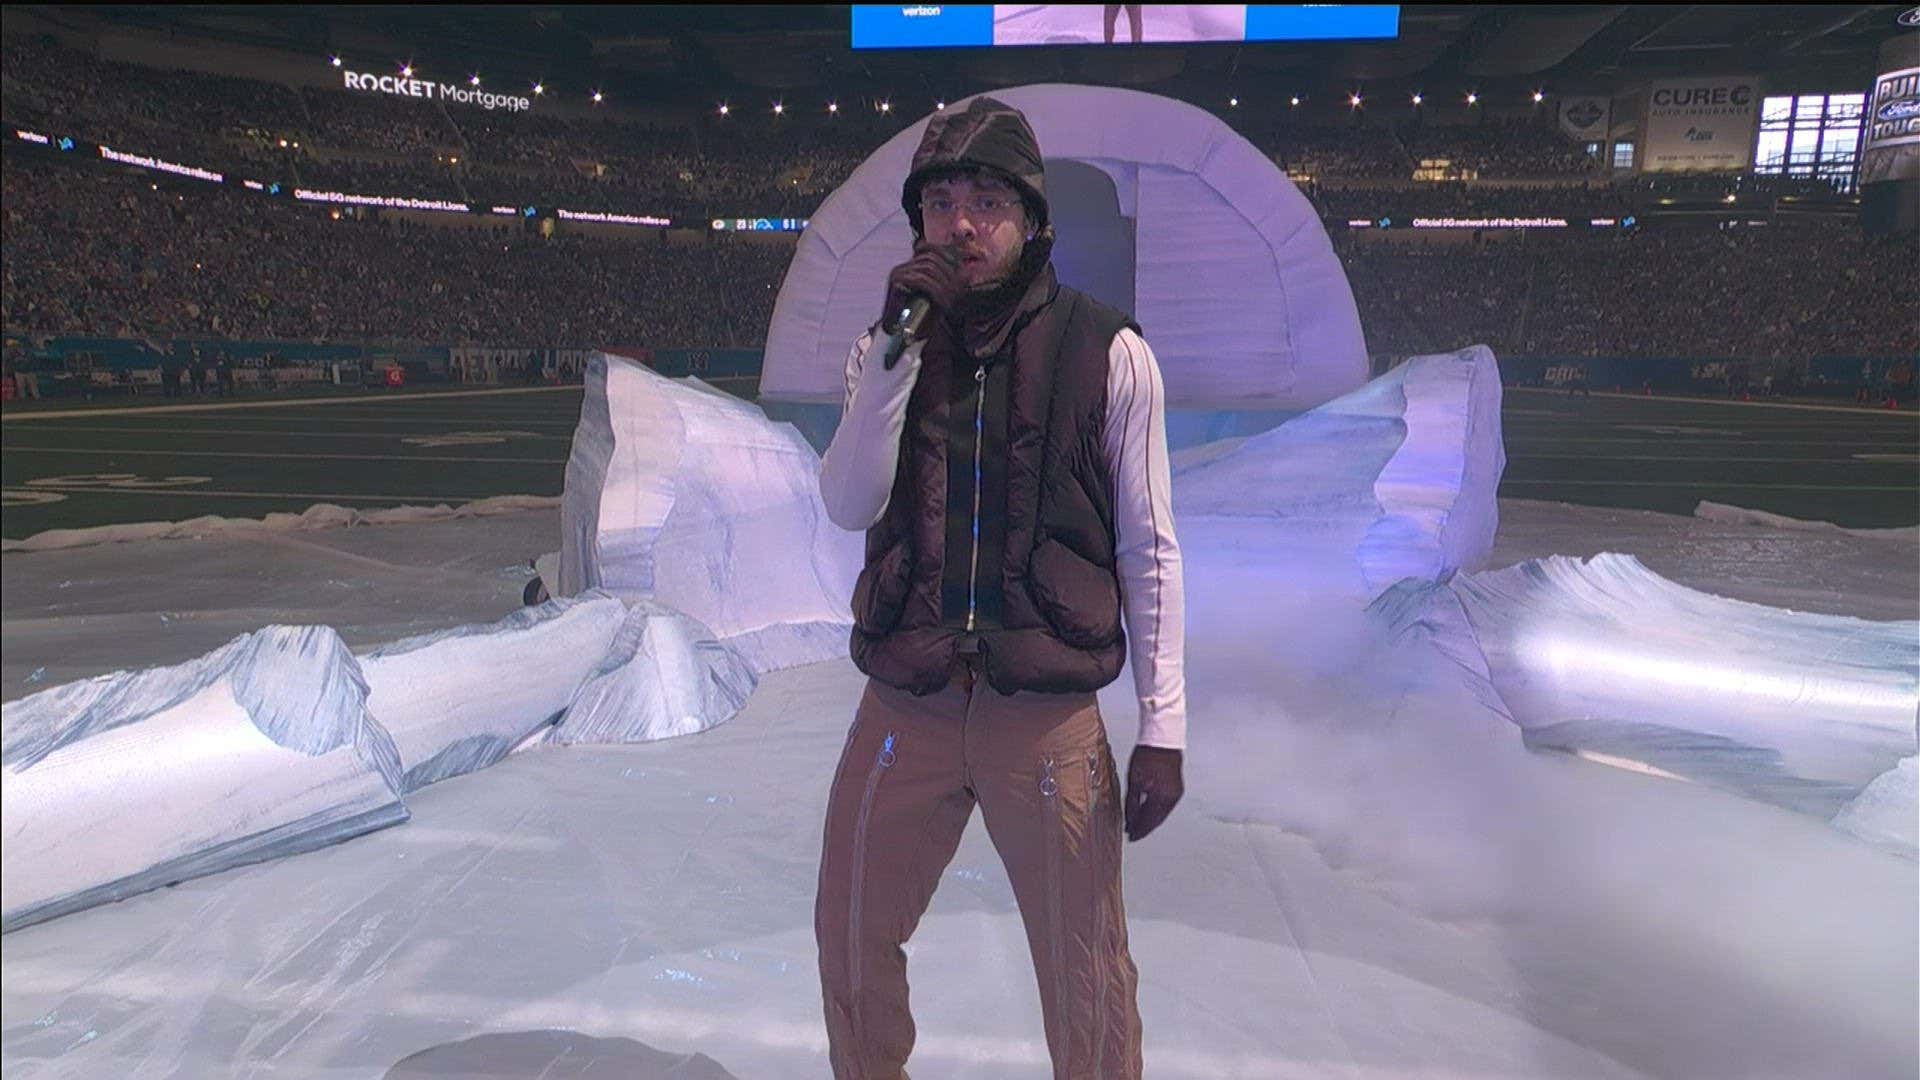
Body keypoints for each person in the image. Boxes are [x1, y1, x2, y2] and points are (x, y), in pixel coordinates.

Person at [814, 96, 1186, 1080]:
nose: (962, 224)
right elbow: (850, 502)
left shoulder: (1110, 352)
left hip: (1047, 721)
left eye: (987, 200)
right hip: (908, 705)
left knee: (1086, 971)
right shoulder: (884, 350)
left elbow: (1151, 548)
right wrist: (894, 350)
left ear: (1033, 221)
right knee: (849, 933)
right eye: (940, 203)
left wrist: (1165, 727)